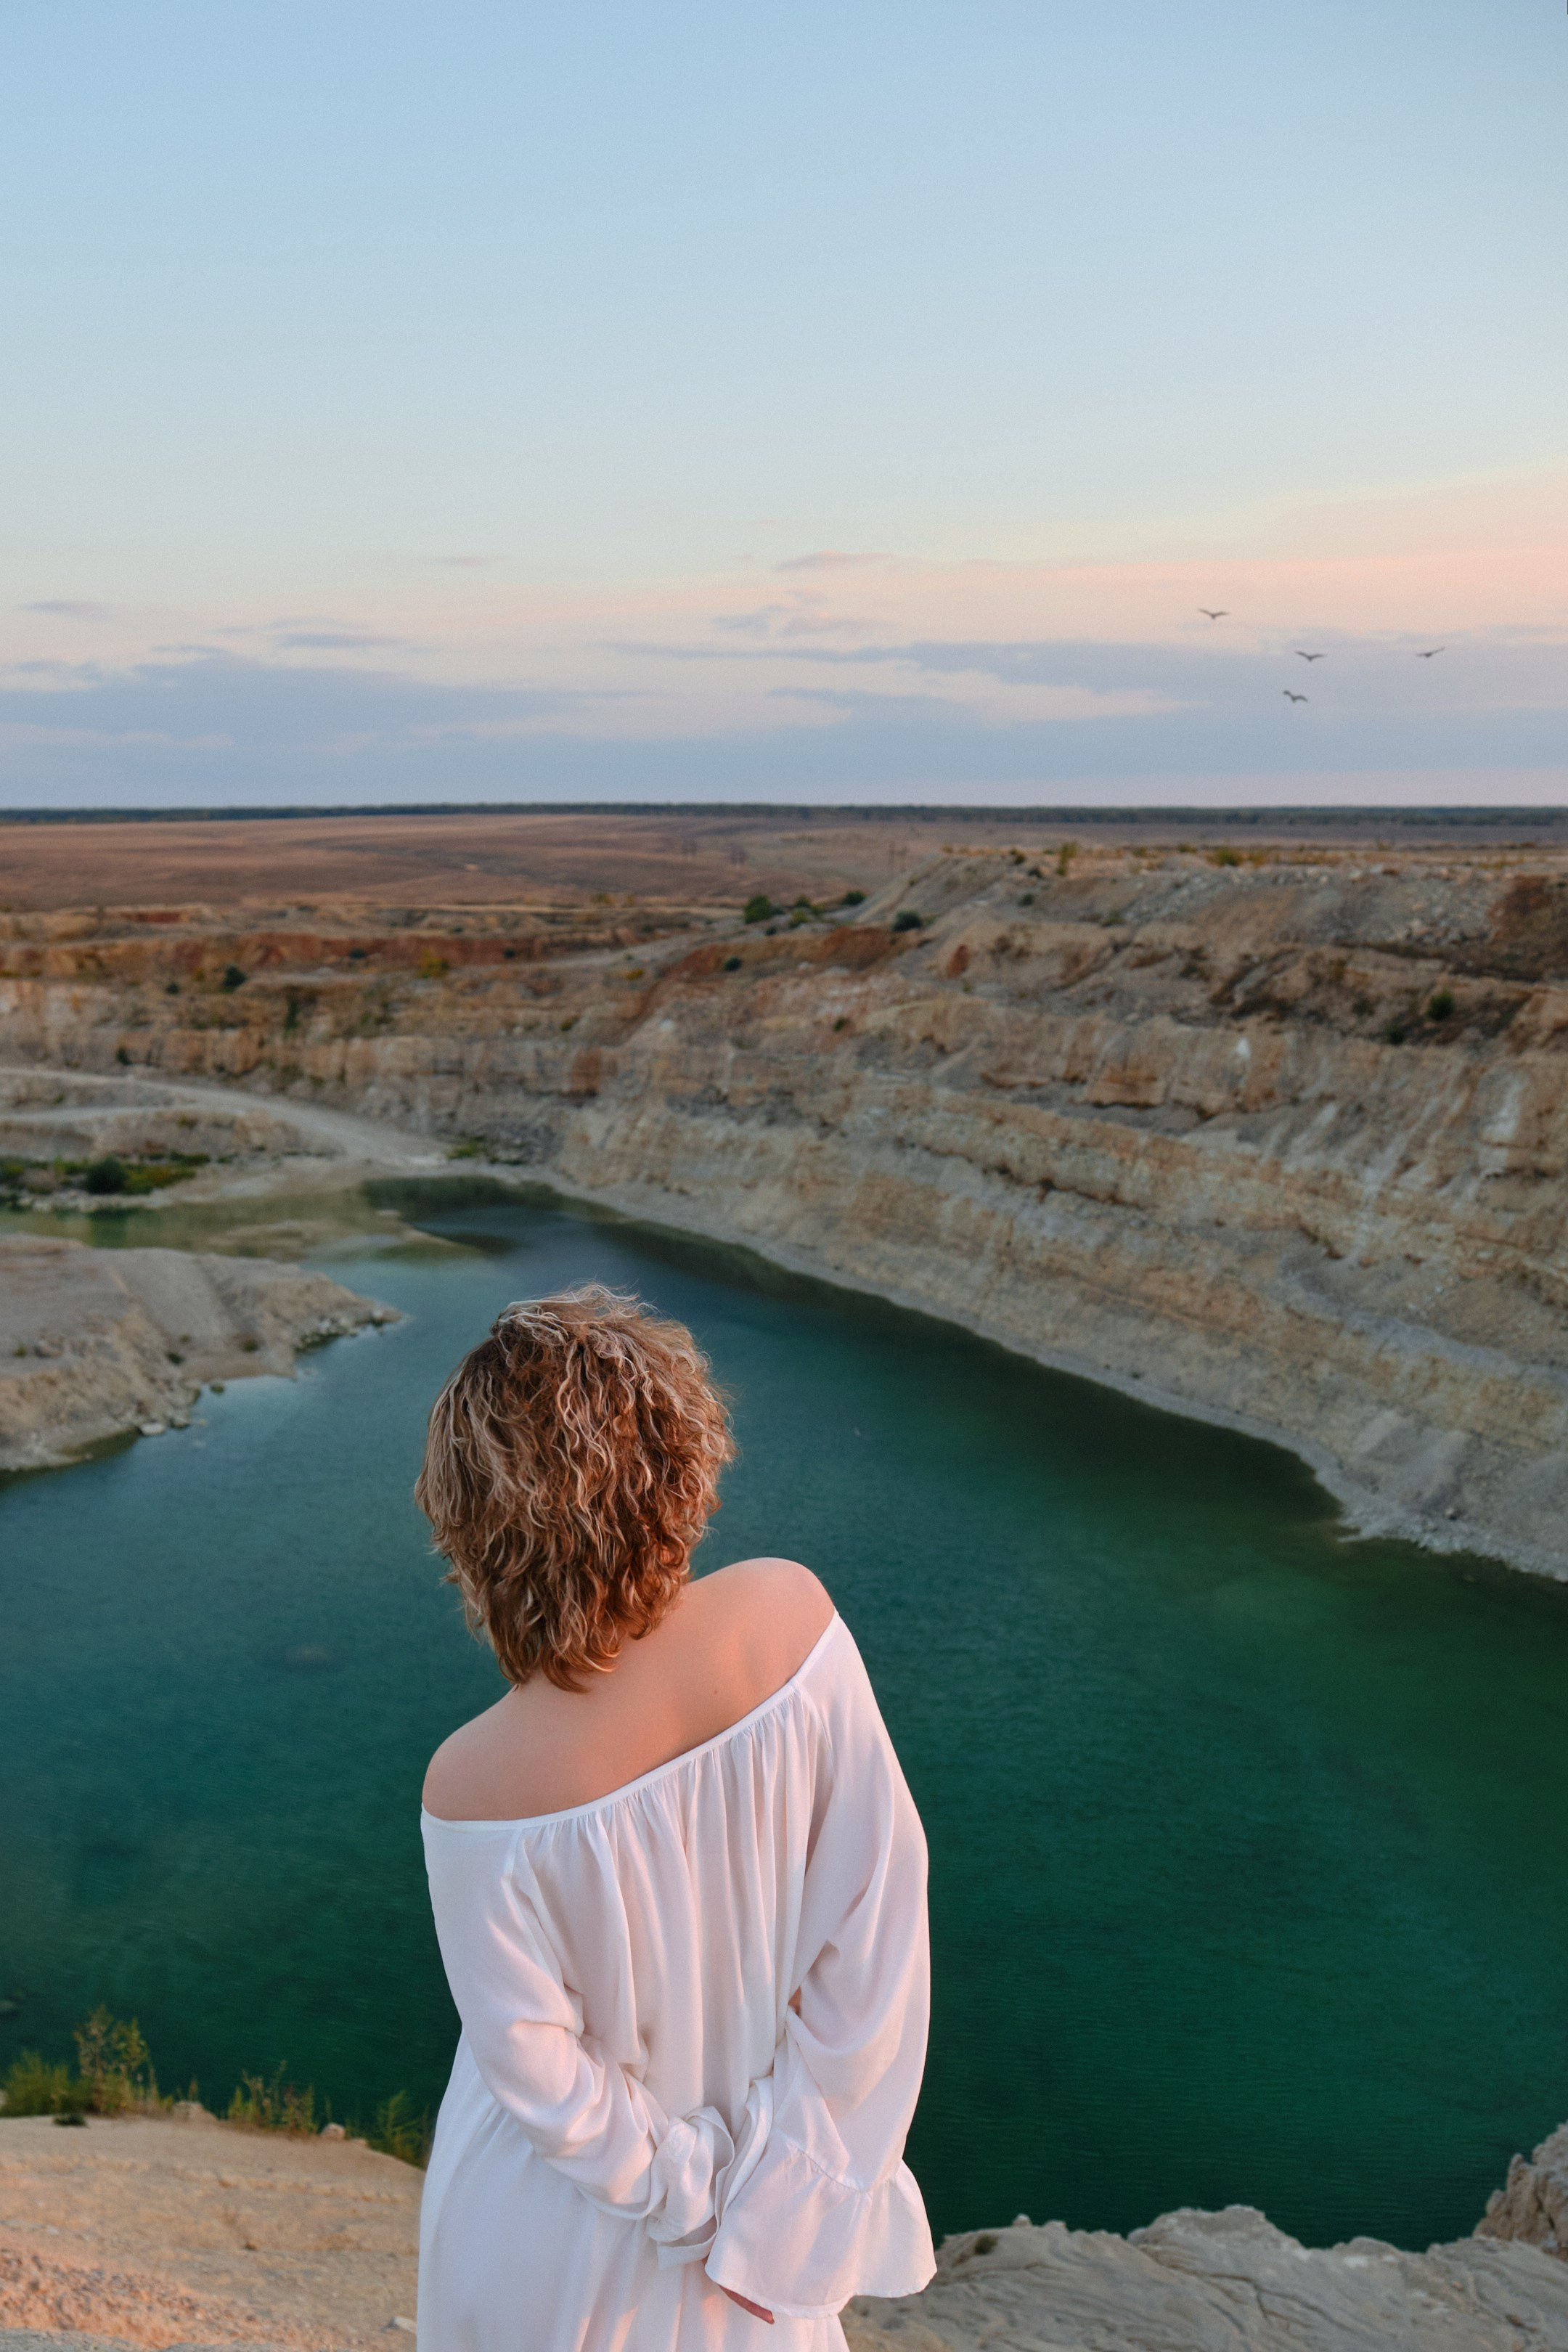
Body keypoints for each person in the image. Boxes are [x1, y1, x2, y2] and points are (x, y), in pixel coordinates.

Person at [413, 1286, 935, 2351]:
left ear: (476, 1530)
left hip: (546, 2236)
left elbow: (537, 2074)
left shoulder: (469, 1781)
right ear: (681, 1456)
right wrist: (780, 2206)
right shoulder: (788, 1620)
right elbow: (877, 1941)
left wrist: (694, 2202)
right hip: (751, 2238)